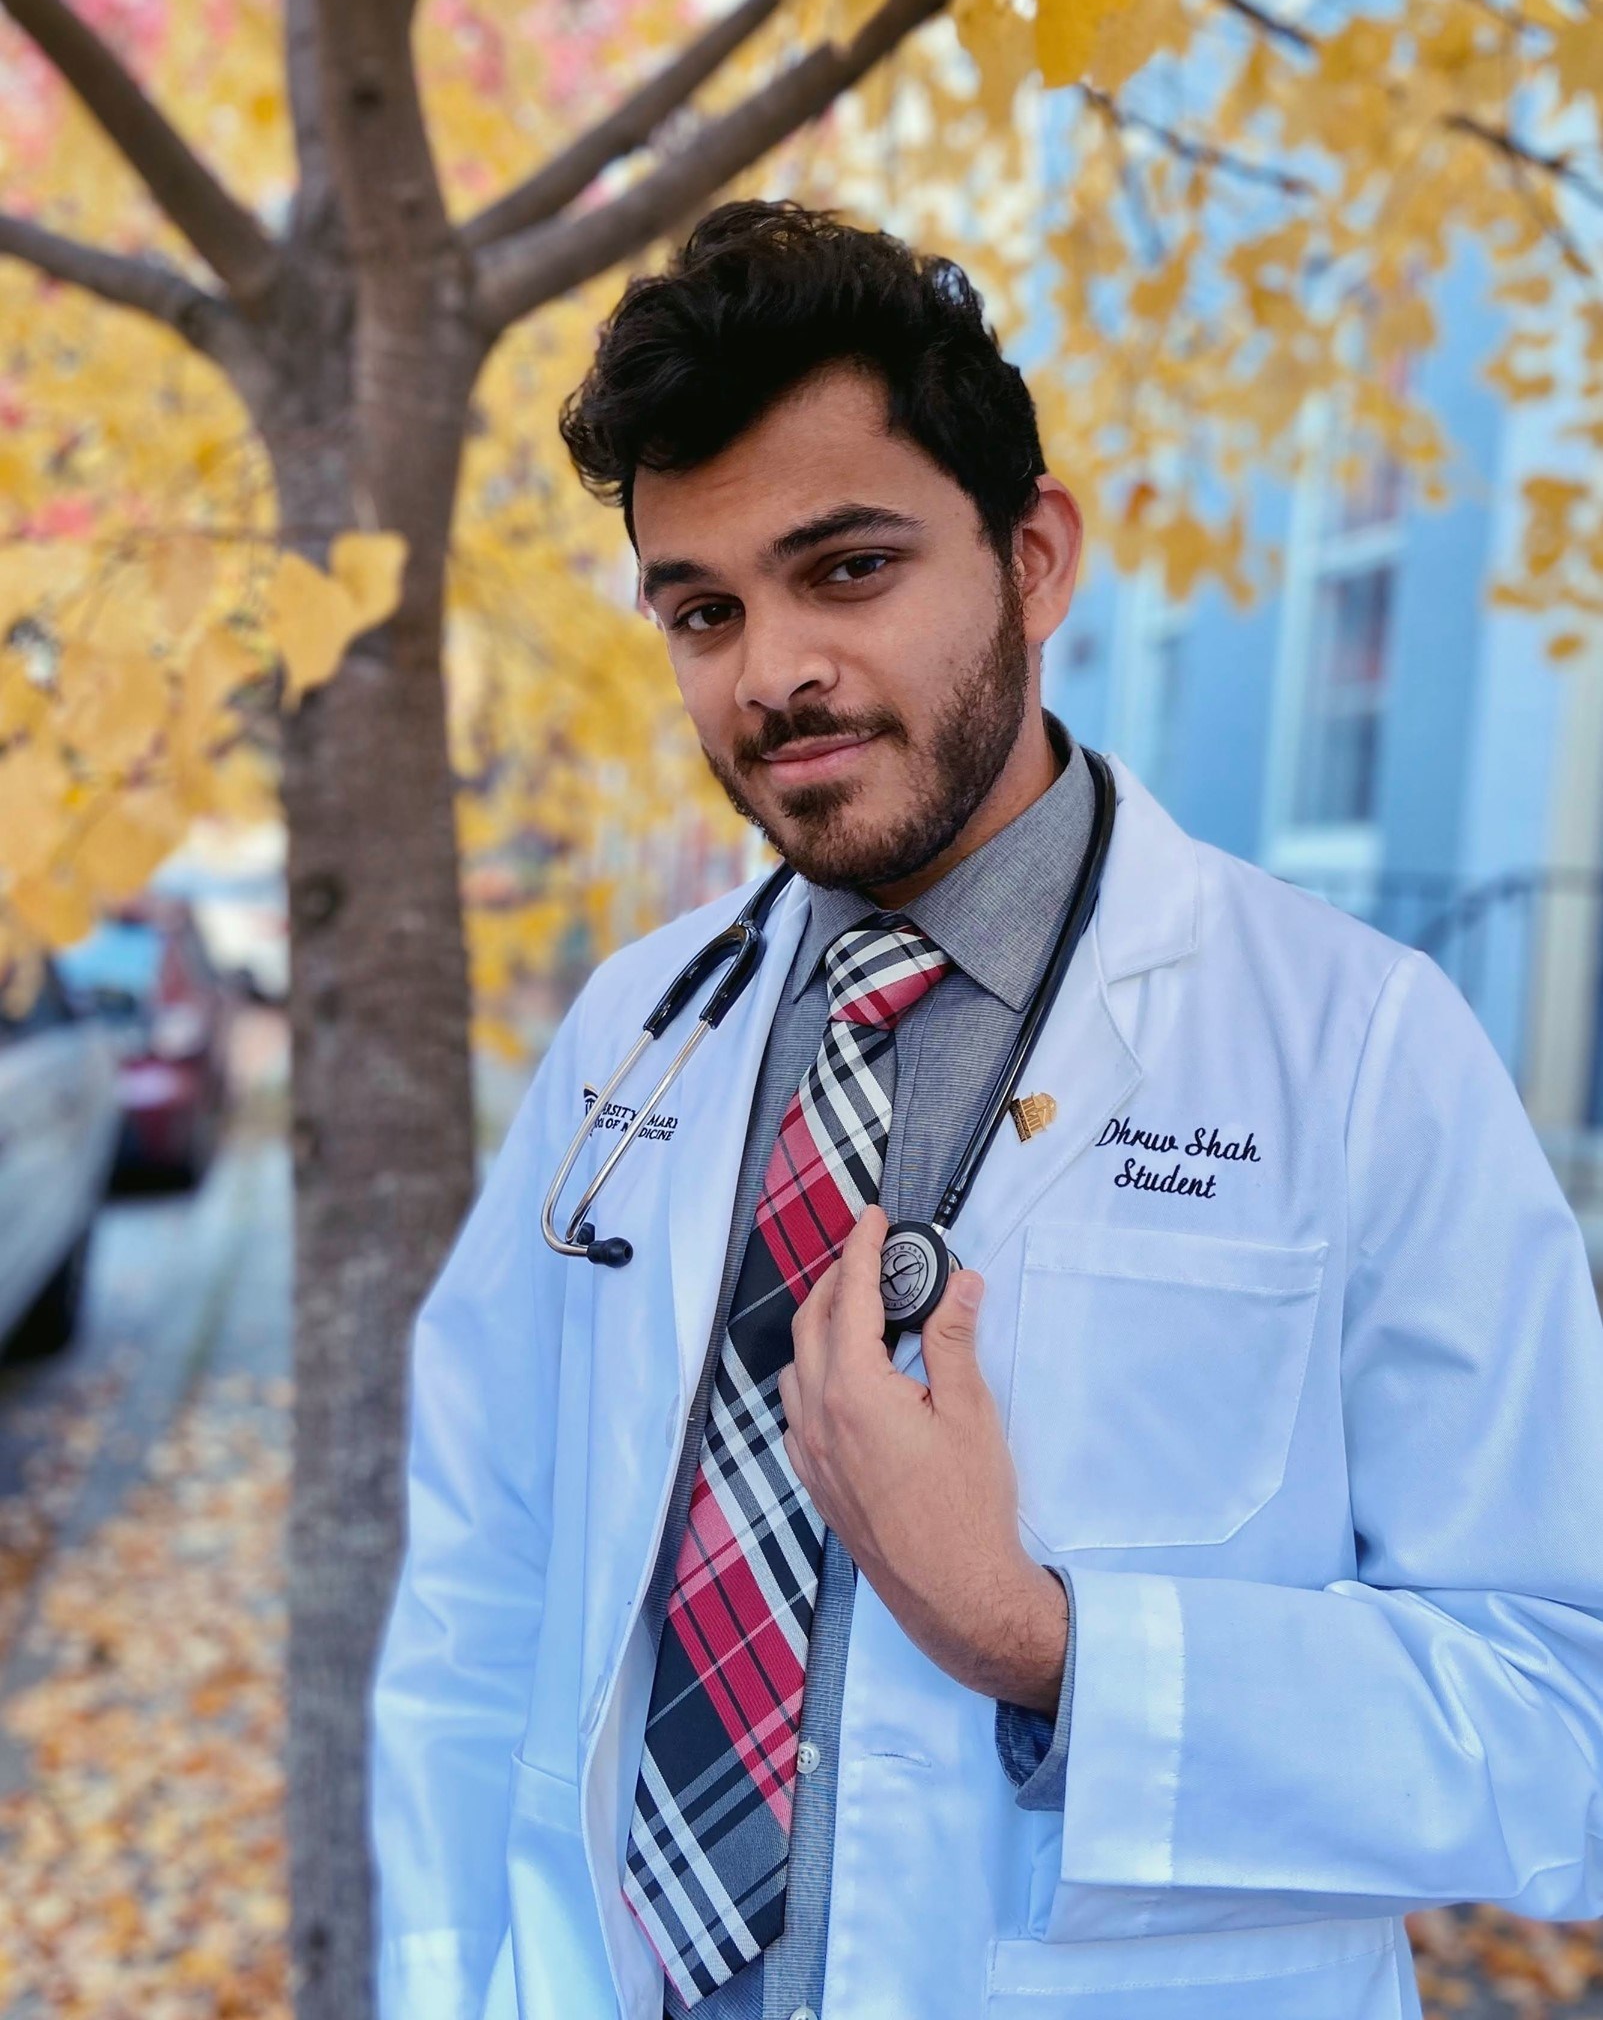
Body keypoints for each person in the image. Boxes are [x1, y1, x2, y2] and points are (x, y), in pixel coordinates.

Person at [370, 202, 1603, 2020]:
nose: (770, 669)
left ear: (1033, 559)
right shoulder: (633, 1038)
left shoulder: (1359, 1052)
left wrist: (1038, 1642)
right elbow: (482, 1601)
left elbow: (1557, 1708)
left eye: (847, 568)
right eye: (703, 609)